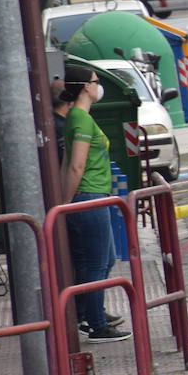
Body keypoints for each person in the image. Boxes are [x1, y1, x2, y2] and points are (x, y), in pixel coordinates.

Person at [60, 65, 130, 343]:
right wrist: (67, 202)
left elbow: (68, 163)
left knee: (104, 260)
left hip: (93, 195)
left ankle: (89, 312)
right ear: (86, 87)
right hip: (89, 196)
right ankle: (96, 324)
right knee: (96, 263)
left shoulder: (78, 117)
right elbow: (75, 165)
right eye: (95, 81)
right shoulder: (80, 119)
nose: (98, 85)